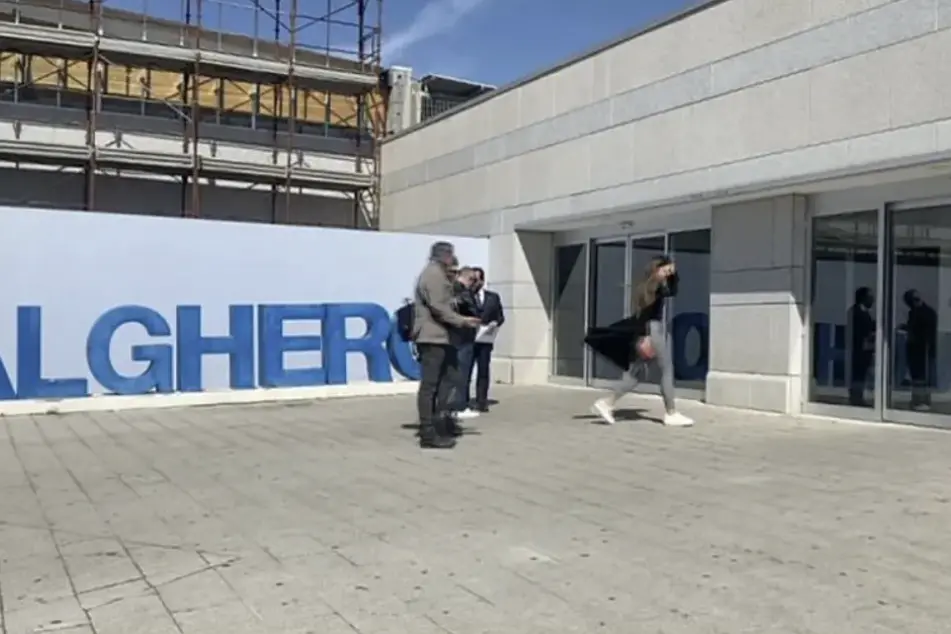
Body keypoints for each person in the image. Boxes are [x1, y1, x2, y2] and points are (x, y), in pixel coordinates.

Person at [589, 255, 694, 427]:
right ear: (657, 269)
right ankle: (671, 413)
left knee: (635, 375)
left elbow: (668, 293)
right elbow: (659, 302)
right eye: (665, 269)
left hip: (645, 332)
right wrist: (646, 337)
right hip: (653, 331)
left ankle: (606, 403)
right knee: (667, 370)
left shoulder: (645, 286)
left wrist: (641, 337)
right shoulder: (654, 286)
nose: (667, 273)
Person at [413, 242, 481, 449]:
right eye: (451, 256)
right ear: (445, 256)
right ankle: (428, 431)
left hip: (443, 337)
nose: (453, 260)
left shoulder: (440, 275)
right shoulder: (433, 275)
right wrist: (463, 321)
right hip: (432, 337)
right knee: (430, 385)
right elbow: (439, 307)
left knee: (450, 377)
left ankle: (440, 420)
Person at [450, 266, 482, 420]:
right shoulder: (461, 291)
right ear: (469, 279)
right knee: (462, 373)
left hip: (457, 337)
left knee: (458, 373)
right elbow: (473, 311)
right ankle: (459, 406)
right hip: (463, 337)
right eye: (473, 281)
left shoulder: (451, 290)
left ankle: (454, 405)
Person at [469, 267, 504, 412]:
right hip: (468, 340)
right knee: (466, 370)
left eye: (477, 280)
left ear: (482, 280)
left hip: (485, 340)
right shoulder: (465, 296)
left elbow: (500, 316)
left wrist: (495, 323)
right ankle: (463, 401)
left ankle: (481, 401)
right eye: (472, 280)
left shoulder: (493, 297)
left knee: (483, 370)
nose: (475, 283)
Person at [902, 289, 937, 410]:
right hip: (915, 348)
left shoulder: (926, 313)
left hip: (922, 348)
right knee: (917, 376)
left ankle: (923, 400)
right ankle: (918, 399)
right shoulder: (914, 312)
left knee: (922, 375)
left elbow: (926, 332)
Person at [847, 286, 875, 407]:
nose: (872, 299)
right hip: (858, 349)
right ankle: (856, 398)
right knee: (858, 373)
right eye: (870, 296)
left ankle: (858, 396)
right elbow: (857, 331)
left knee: (862, 374)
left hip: (866, 349)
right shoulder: (855, 312)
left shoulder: (865, 313)